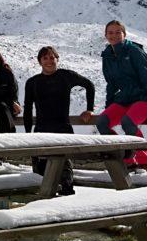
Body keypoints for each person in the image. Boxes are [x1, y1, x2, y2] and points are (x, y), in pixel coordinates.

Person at [95, 20, 147, 171]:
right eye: (110, 32)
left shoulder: (134, 51)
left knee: (128, 123)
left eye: (118, 32)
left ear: (124, 34)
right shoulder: (107, 56)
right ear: (106, 35)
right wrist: (109, 106)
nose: (114, 35)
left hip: (142, 98)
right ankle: (123, 155)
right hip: (123, 99)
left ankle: (142, 160)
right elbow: (111, 84)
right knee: (102, 123)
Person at [24, 46, 95, 195]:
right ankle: (44, 204)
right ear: (40, 61)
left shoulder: (66, 76)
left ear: (57, 59)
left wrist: (89, 108)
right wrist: (27, 133)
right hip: (41, 130)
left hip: (63, 128)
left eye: (52, 57)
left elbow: (89, 85)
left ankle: (67, 200)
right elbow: (28, 109)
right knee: (40, 172)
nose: (49, 61)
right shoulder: (32, 82)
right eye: (45, 58)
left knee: (64, 168)